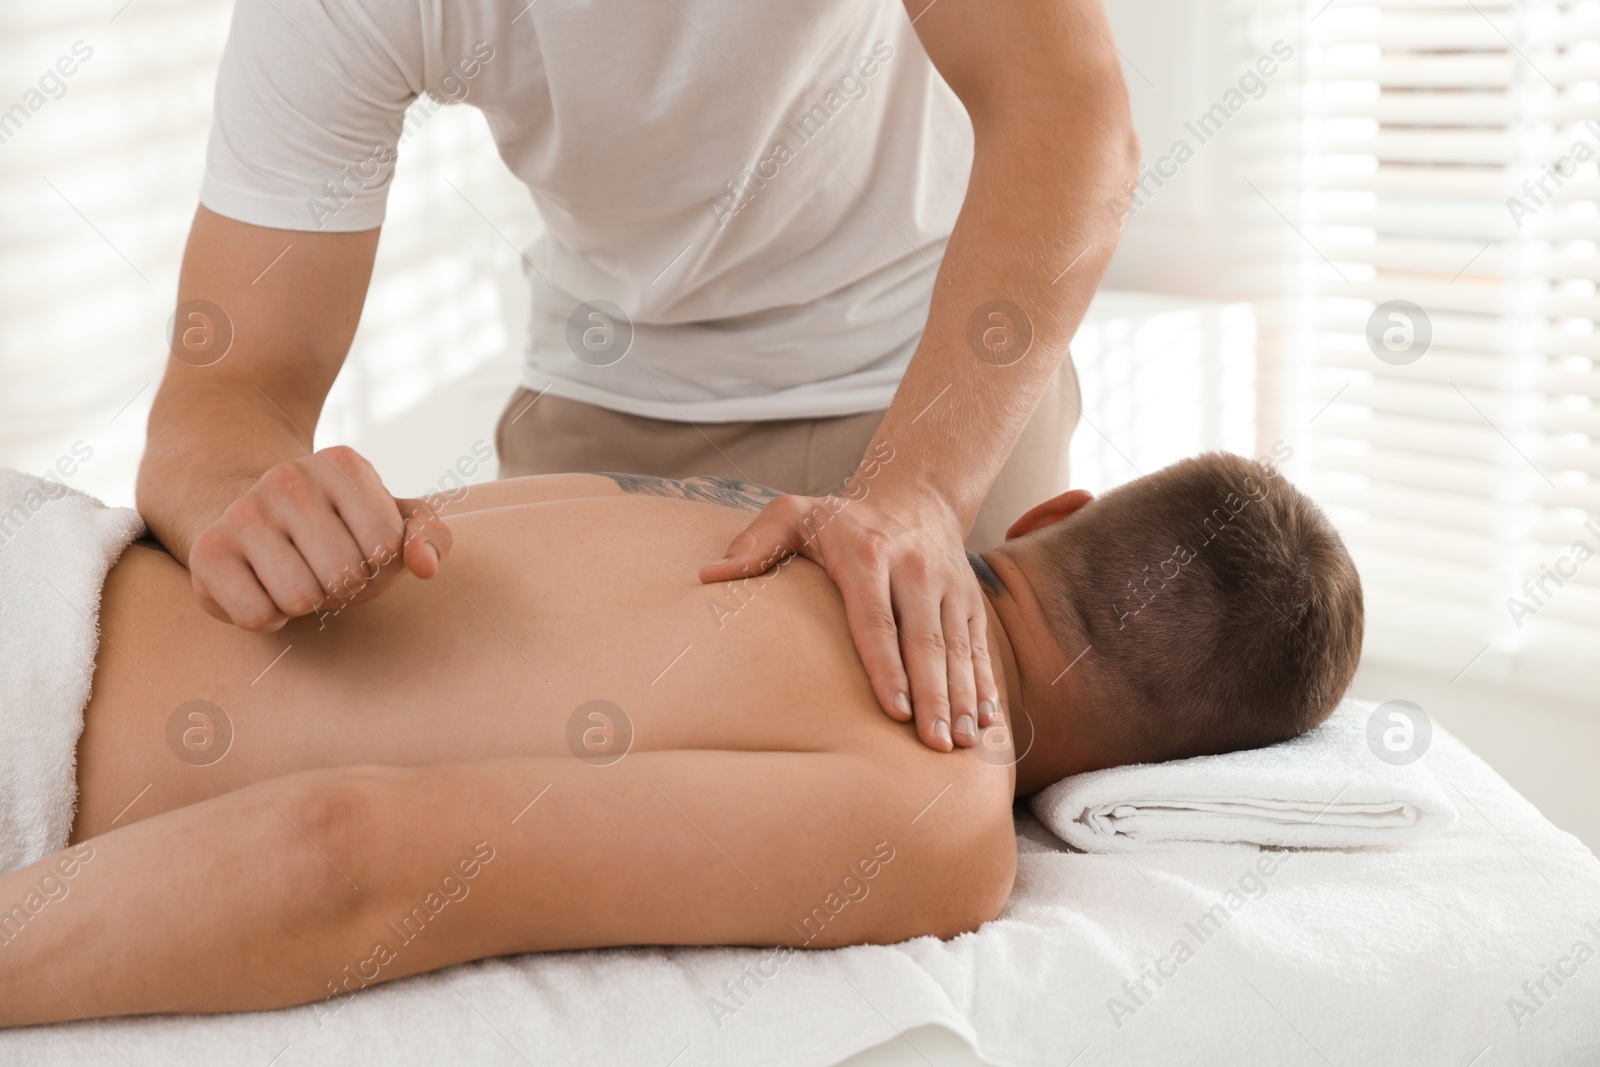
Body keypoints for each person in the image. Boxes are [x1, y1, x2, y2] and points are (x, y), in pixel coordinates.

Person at [0, 452, 1362, 1026]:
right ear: (1147, 786)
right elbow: (354, 849)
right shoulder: (941, 813)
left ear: (1054, 506)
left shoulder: (787, 519)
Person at [134, 0, 1142, 754]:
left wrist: (919, 490)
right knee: (552, 774)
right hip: (614, 411)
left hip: (936, 387)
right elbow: (227, 396)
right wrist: (247, 504)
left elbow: (1067, 109)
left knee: (977, 789)